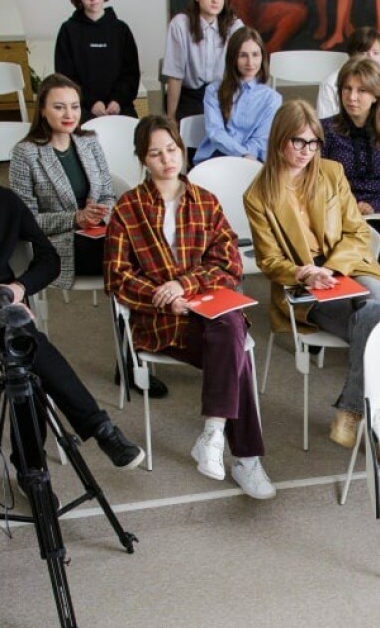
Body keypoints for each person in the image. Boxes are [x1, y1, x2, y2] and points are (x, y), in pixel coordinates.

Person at [0, 115, 143, 471]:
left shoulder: (1, 200)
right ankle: (97, 430)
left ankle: (30, 468)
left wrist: (18, 288)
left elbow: (49, 259)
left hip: (6, 309)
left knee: (21, 352)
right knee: (21, 339)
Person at [106, 117, 273, 499]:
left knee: (230, 328)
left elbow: (228, 263)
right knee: (238, 355)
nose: (166, 159)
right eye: (155, 153)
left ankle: (213, 434)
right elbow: (118, 275)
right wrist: (162, 296)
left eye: (172, 149)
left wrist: (185, 284)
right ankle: (245, 459)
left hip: (208, 311)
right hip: (162, 323)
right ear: (142, 159)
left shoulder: (205, 201)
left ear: (181, 150)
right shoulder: (128, 207)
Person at [244, 101, 380, 450]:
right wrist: (304, 272)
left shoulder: (331, 172)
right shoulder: (257, 195)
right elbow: (269, 261)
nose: (306, 152)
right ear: (280, 139)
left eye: (313, 143)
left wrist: (331, 267)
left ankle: (352, 408)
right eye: (298, 142)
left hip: (349, 266)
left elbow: (357, 233)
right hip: (305, 284)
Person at [320, 58, 380, 308]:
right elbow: (319, 185)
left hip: (378, 219)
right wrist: (348, 206)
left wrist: (373, 204)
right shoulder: (326, 130)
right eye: (347, 89)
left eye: (361, 90)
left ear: (376, 95)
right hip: (337, 222)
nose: (352, 97)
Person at [9, 74, 116, 287]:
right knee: (130, 255)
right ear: (42, 110)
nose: (69, 114)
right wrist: (75, 219)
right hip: (59, 244)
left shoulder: (89, 141)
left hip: (99, 234)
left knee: (146, 243)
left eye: (75, 107)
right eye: (59, 107)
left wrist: (101, 215)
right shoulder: (25, 153)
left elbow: (107, 195)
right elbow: (25, 221)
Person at [54, 0, 141, 121]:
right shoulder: (68, 30)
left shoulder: (121, 30)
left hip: (119, 107)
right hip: (82, 107)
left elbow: (131, 74)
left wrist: (117, 100)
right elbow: (65, 78)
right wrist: (91, 102)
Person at [193, 27, 281, 166]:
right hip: (216, 160)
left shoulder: (272, 99)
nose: (250, 62)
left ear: (262, 57)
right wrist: (242, 154)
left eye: (255, 55)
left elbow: (260, 140)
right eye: (243, 55)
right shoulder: (214, 91)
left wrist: (245, 159)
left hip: (253, 161)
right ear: (233, 58)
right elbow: (215, 133)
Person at [162, 0, 241, 122]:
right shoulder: (180, 24)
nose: (215, 0)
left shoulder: (234, 25)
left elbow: (245, 69)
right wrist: (171, 118)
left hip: (222, 94)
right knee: (190, 132)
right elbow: (175, 76)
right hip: (190, 94)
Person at [316, 26, 380, 122]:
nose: (370, 58)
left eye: (375, 53)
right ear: (351, 55)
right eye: (364, 53)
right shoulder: (330, 83)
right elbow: (325, 124)